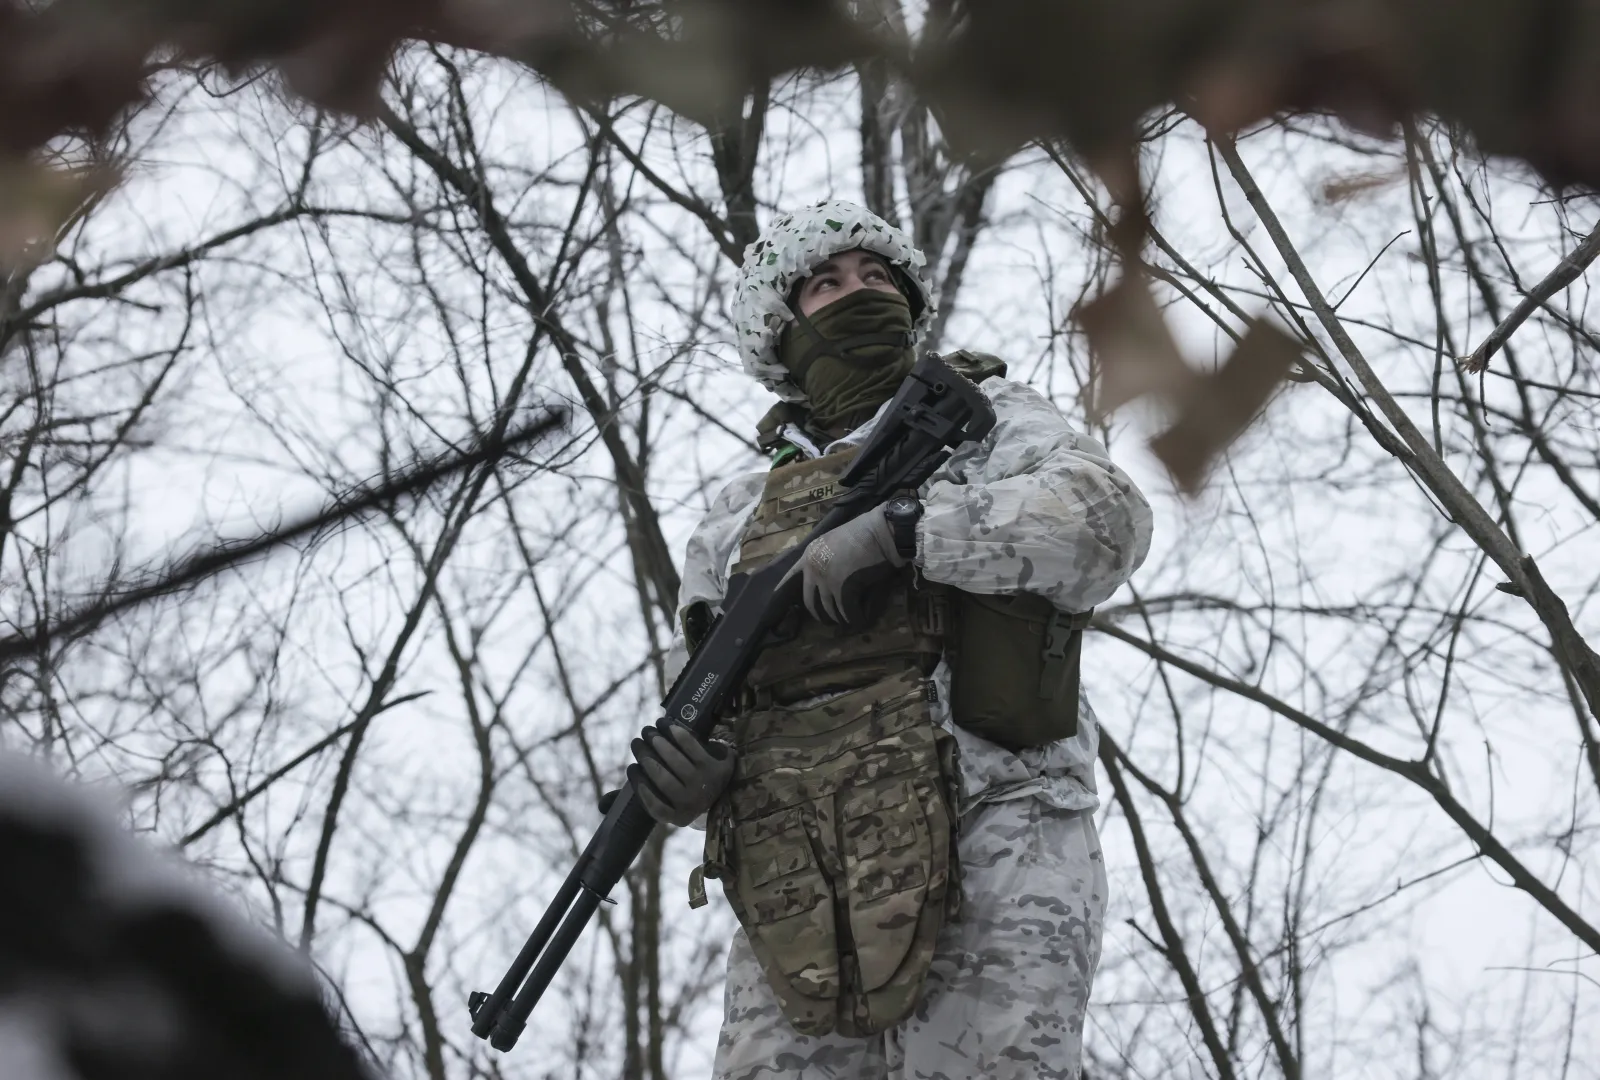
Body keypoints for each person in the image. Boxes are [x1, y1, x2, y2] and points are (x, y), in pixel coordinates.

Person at [627, 200, 1153, 1080]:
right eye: (827, 285)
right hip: (797, 879)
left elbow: (1108, 520)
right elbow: (702, 687)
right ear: (781, 332)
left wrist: (908, 531)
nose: (860, 293)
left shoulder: (992, 420)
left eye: (878, 277)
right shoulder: (736, 517)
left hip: (992, 833)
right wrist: (698, 779)